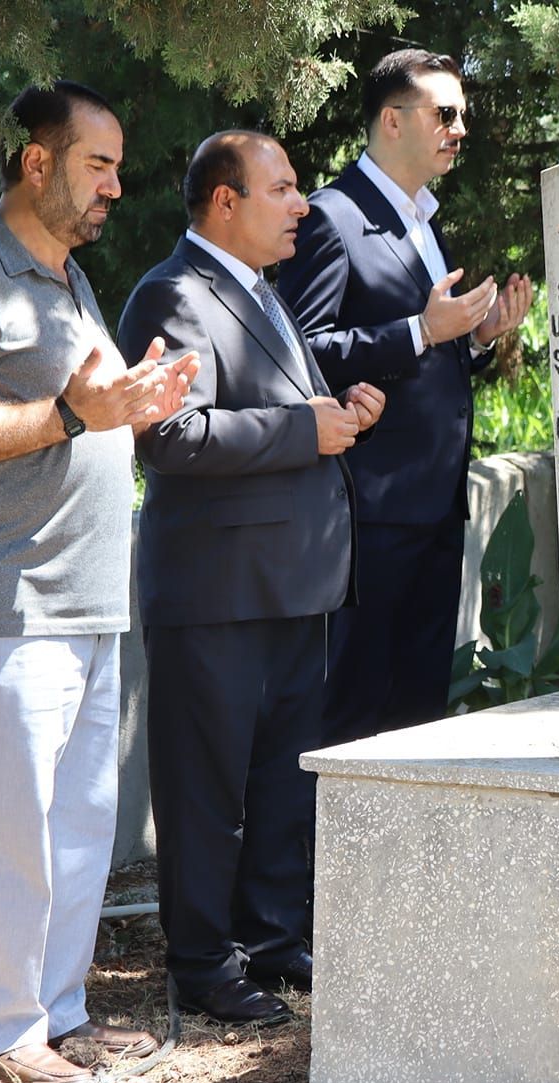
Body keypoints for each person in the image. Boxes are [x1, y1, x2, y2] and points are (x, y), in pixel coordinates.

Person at [0, 81, 197, 1083]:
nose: (115, 185)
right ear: (37, 162)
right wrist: (73, 418)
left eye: (117, 166)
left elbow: (80, 407)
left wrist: (126, 405)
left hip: (82, 601)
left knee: (73, 831)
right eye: (96, 164)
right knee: (6, 834)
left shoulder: (63, 276)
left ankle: (54, 1015)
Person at [117, 131, 384, 1026]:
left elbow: (277, 414)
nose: (303, 204)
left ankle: (271, 942)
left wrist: (341, 416)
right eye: (284, 189)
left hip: (292, 586)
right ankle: (202, 964)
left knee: (278, 784)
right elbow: (169, 437)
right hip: (215, 595)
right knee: (205, 792)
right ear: (224, 202)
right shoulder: (172, 292)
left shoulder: (261, 292)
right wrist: (306, 430)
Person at [276, 49, 532, 743]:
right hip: (366, 514)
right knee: (352, 712)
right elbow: (298, 355)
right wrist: (422, 330)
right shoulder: (331, 218)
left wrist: (473, 340)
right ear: (392, 120)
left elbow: (418, 361)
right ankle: (318, 854)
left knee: (415, 715)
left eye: (462, 116)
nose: (460, 129)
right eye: (444, 114)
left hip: (433, 509)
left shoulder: (421, 218)